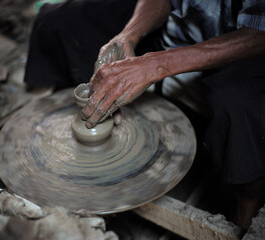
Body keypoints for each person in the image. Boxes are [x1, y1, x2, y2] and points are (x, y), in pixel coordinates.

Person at [24, 0, 265, 229]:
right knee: (58, 19)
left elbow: (259, 33)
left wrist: (155, 65)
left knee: (236, 101)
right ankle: (45, 128)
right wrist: (129, 35)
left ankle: (248, 203)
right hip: (179, 32)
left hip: (246, 50)